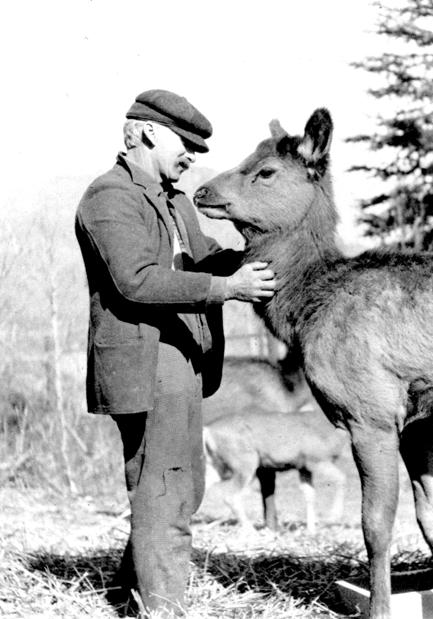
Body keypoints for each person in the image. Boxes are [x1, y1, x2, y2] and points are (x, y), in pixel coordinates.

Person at [75, 89, 276, 617]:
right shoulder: (110, 197)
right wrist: (227, 289)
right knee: (164, 492)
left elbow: (206, 258)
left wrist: (266, 247)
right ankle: (164, 609)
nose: (191, 156)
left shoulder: (174, 201)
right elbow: (136, 281)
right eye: (184, 143)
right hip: (146, 362)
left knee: (181, 488)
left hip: (182, 360)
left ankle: (125, 596)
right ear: (146, 132)